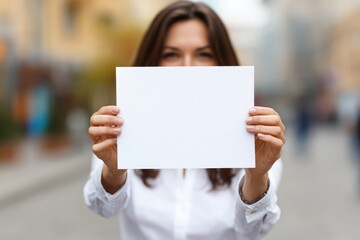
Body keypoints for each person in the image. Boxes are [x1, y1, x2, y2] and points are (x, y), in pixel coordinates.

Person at [83, 1, 286, 239]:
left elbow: (253, 230)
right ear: (153, 62)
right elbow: (102, 207)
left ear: (221, 62)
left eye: (203, 54)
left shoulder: (253, 136)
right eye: (171, 54)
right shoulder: (124, 126)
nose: (187, 67)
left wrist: (257, 176)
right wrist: (114, 172)